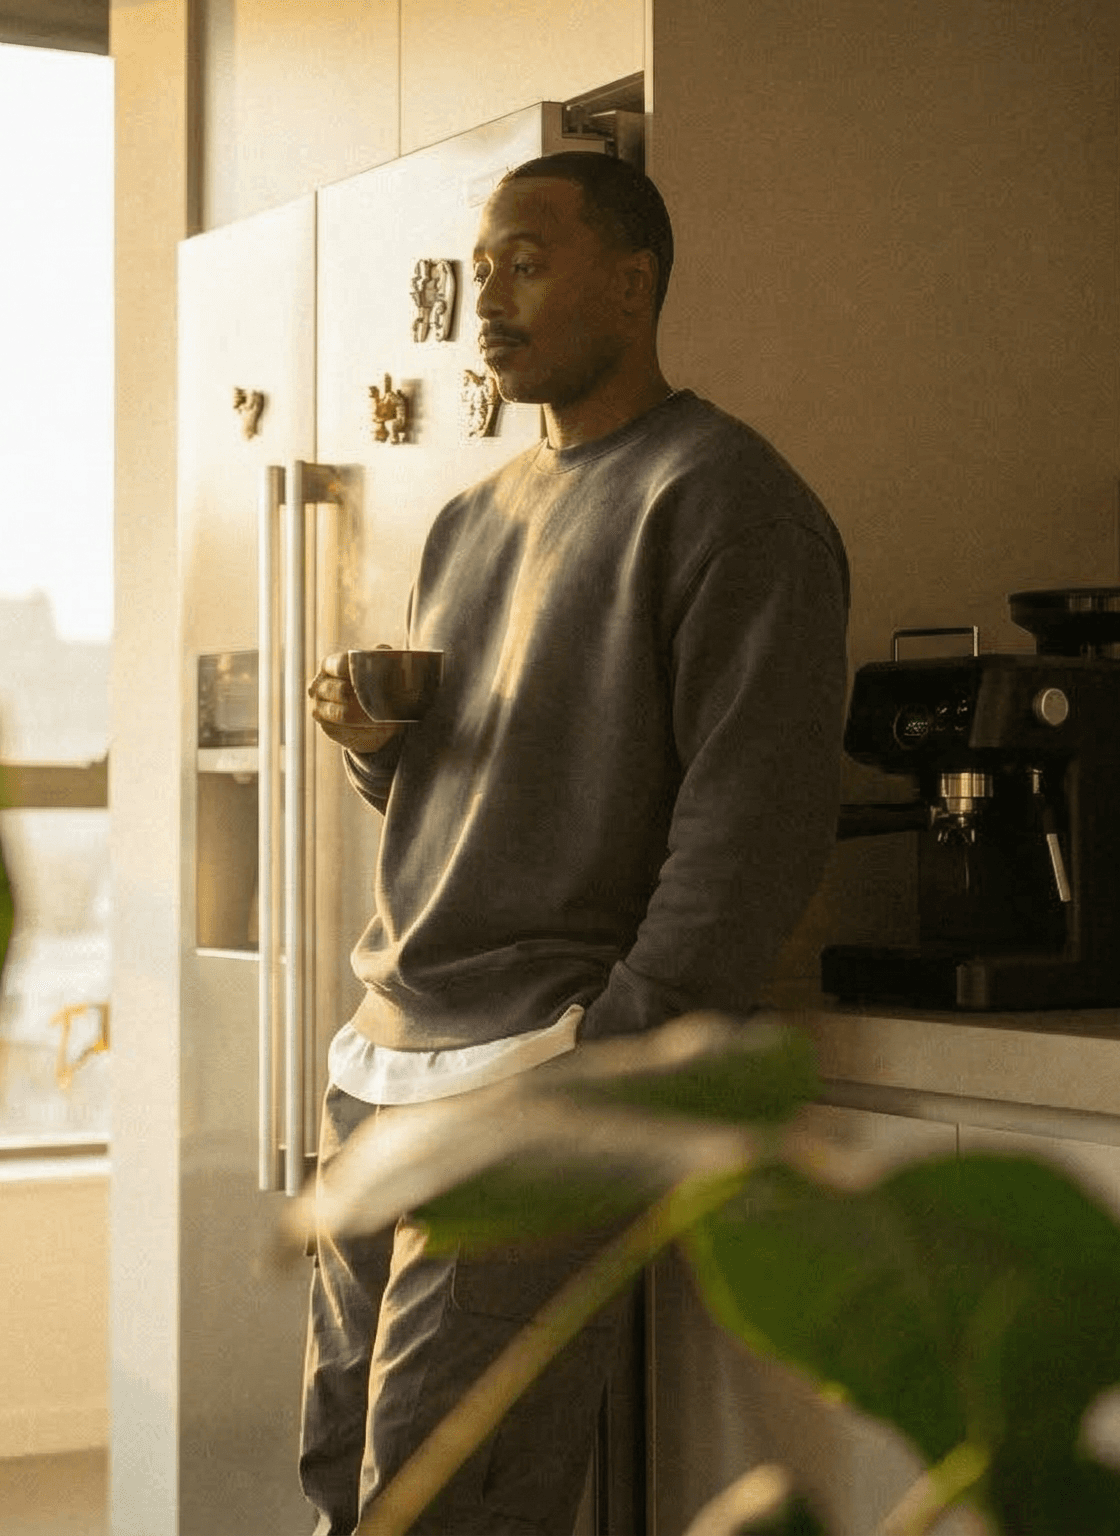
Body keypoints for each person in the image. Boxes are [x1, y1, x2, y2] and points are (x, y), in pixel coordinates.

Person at [298, 151, 851, 1535]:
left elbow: (755, 817)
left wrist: (618, 1058)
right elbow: (471, 797)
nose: (491, 297)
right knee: (337, 1484)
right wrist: (377, 752)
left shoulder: (728, 500)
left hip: (539, 1079)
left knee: (446, 1505)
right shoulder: (469, 521)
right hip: (384, 1065)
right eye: (481, 269)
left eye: (527, 263)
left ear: (635, 280)